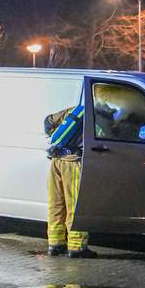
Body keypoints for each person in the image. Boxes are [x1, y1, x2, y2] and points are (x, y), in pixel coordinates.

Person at [44, 103, 95, 258]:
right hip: (73, 163)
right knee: (75, 205)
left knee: (56, 204)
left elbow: (48, 122)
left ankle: (55, 244)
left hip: (56, 160)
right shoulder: (99, 114)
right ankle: (77, 246)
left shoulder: (74, 110)